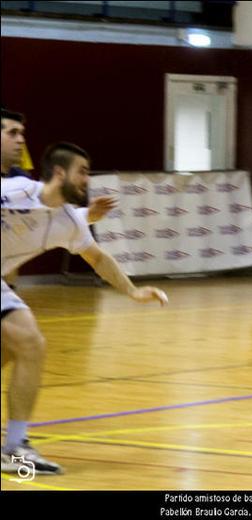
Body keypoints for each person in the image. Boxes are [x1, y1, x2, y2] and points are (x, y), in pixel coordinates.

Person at [1, 142, 168, 476]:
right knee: (25, 340)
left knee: (26, 344)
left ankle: (14, 448)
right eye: (83, 172)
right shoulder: (15, 190)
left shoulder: (67, 221)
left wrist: (133, 291)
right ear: (59, 172)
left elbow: (98, 259)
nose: (87, 181)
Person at [0, 109, 116, 289]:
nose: (21, 140)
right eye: (13, 133)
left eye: (22, 133)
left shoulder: (18, 177)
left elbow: (40, 214)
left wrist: (87, 215)